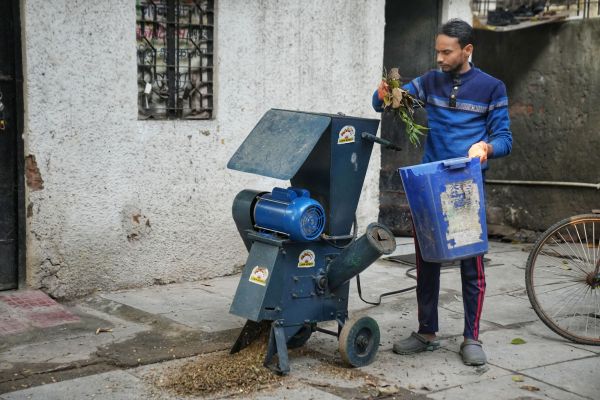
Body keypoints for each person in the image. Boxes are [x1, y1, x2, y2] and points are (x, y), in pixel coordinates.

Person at [372, 18, 512, 366]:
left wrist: (486, 148)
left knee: (471, 267)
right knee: (426, 261)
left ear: (467, 50)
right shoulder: (430, 82)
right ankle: (426, 331)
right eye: (437, 51)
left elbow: (505, 139)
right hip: (431, 183)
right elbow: (386, 105)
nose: (439, 58)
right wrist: (383, 94)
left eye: (446, 52)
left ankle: (471, 337)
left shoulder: (492, 87)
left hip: (465, 186)